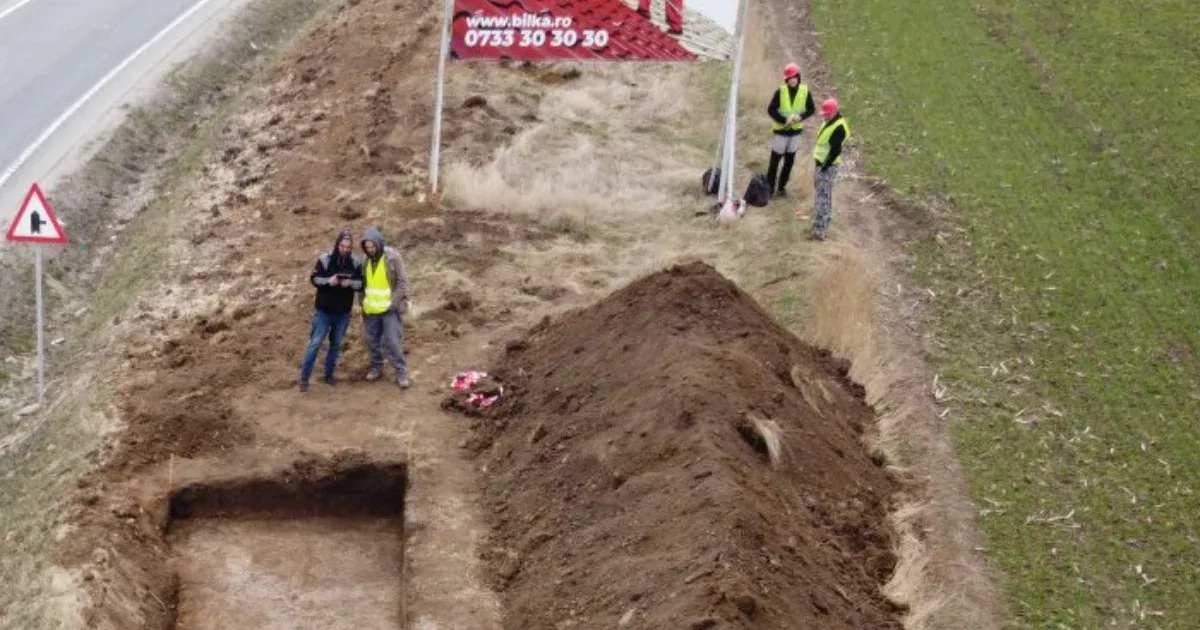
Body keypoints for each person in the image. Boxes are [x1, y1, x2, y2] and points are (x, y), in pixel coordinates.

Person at [299, 229, 363, 391]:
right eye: (342, 246)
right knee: (315, 344)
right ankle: (304, 379)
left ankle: (328, 376)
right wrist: (329, 281)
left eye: (348, 247)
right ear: (337, 245)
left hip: (343, 313)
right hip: (323, 312)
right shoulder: (325, 259)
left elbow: (361, 283)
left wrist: (350, 284)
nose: (345, 249)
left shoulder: (355, 263)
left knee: (335, 345)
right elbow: (314, 279)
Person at [359, 227, 413, 389]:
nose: (370, 250)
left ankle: (401, 372)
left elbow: (403, 282)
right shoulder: (365, 260)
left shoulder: (392, 257)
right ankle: (377, 368)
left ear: (379, 243)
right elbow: (363, 284)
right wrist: (361, 302)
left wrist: (393, 302)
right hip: (371, 310)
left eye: (372, 246)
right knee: (373, 341)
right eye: (367, 248)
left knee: (392, 341)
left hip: (389, 309)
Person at [765, 63, 815, 199]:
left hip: (795, 134)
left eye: (794, 77)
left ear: (798, 77)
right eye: (790, 78)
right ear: (786, 79)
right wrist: (783, 120)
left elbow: (811, 109)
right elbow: (771, 109)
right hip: (781, 133)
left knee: (789, 162)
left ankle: (781, 188)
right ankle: (769, 189)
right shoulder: (780, 92)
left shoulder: (805, 91)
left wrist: (801, 117)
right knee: (774, 162)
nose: (792, 80)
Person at [810, 98, 850, 241]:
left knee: (824, 199)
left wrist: (824, 167)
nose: (825, 116)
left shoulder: (839, 127)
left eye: (827, 114)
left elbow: (835, 151)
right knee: (821, 196)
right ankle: (818, 225)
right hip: (821, 164)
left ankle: (820, 231)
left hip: (827, 167)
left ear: (835, 112)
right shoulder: (829, 121)